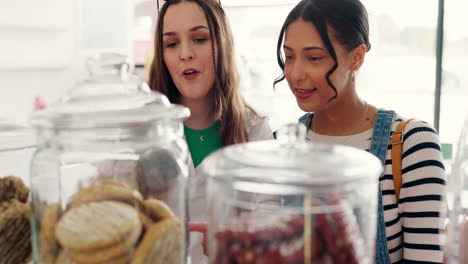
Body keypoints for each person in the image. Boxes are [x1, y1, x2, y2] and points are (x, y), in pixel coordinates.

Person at [273, 0, 447, 263]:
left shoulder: (411, 144)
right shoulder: (279, 147)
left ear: (357, 57)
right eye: (289, 56)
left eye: (314, 58)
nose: (295, 73)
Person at [149, 0, 273, 262]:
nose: (185, 54)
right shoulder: (143, 135)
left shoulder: (255, 131)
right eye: (172, 44)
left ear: (222, 43)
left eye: (200, 39)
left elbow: (270, 235)